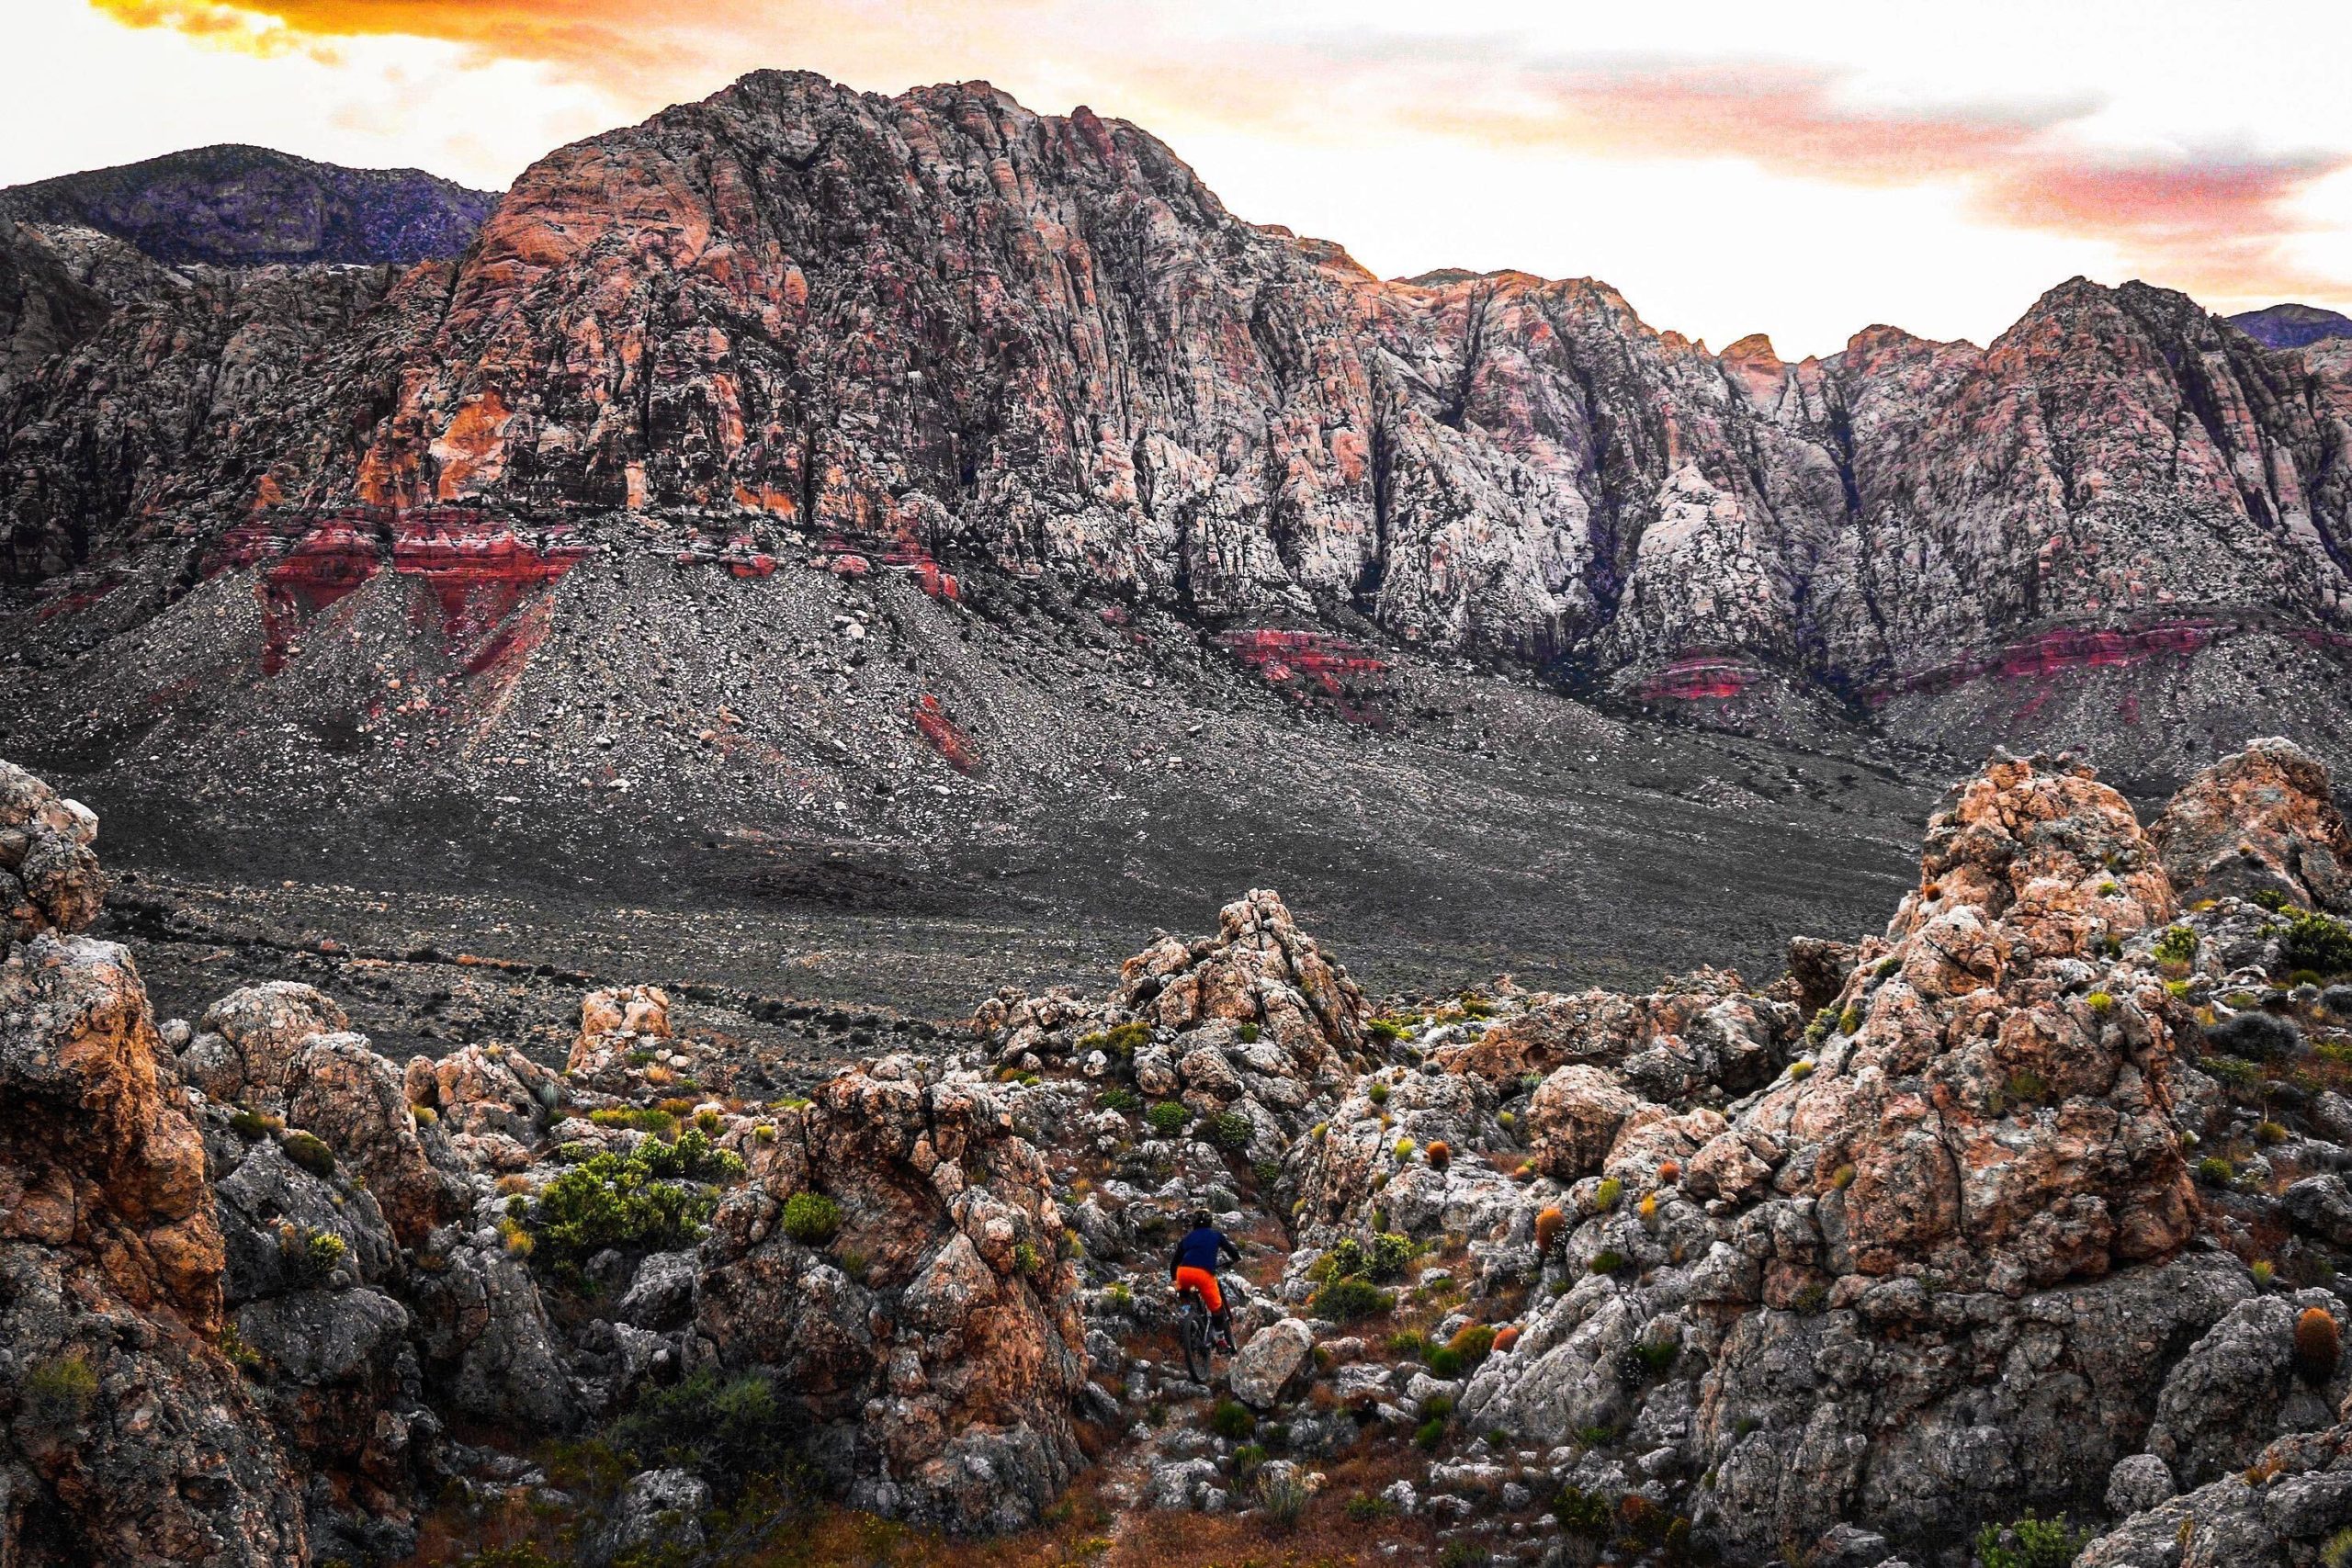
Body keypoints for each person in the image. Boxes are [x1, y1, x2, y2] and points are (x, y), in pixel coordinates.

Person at [1170, 1207, 1242, 1353]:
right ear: (1210, 1222)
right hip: (1204, 1275)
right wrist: (1236, 1259)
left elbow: (1173, 1263)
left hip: (1183, 1273)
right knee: (1216, 1309)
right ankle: (1220, 1339)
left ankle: (1187, 1315)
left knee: (1185, 1296)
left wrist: (1175, 1282)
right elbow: (1232, 1251)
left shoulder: (1187, 1238)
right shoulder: (1216, 1235)